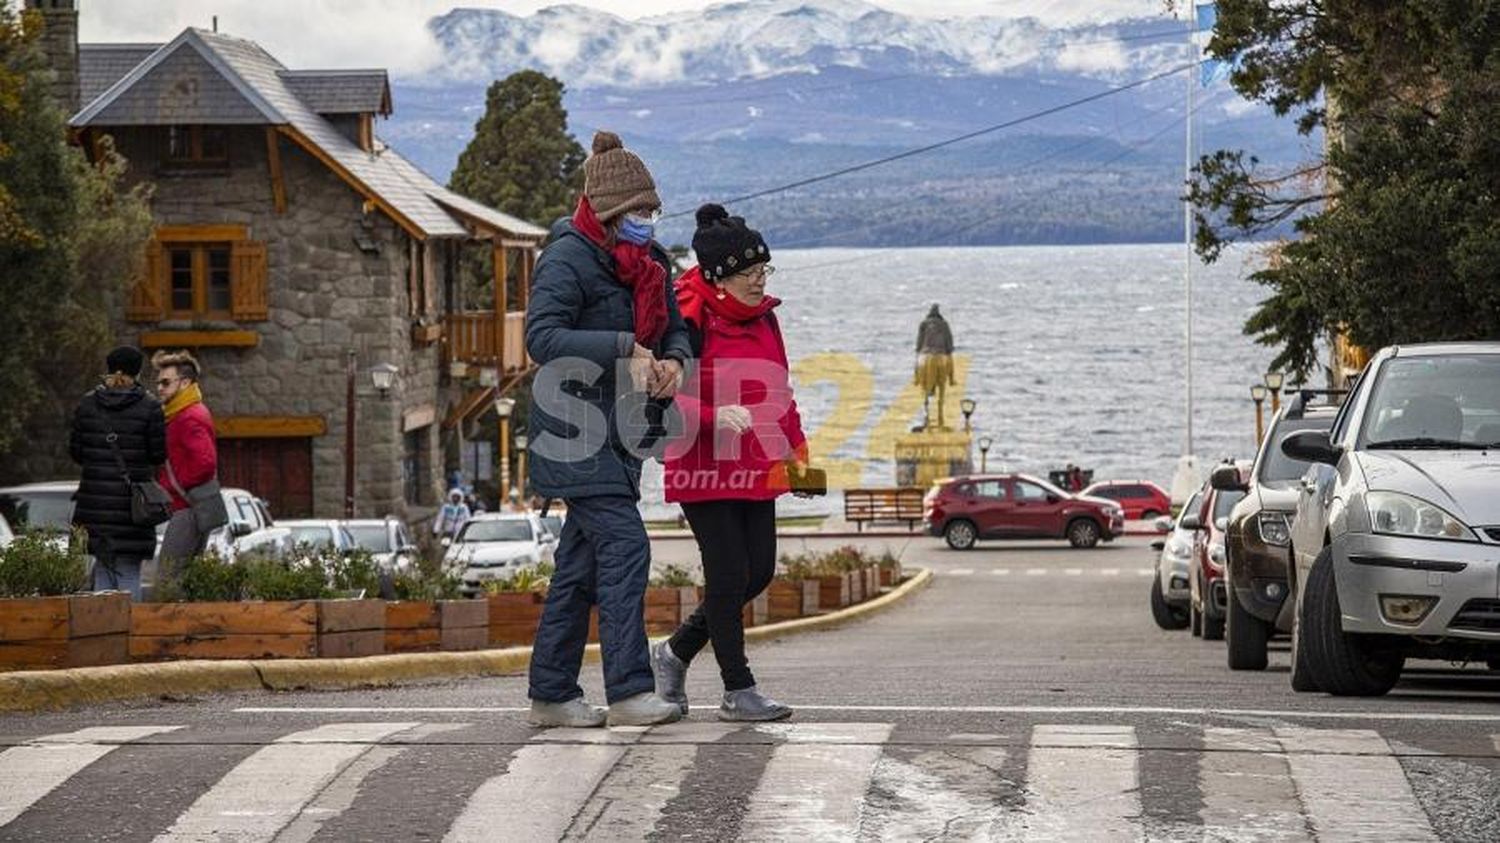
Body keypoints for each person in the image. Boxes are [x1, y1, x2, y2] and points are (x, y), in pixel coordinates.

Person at [523, 130, 692, 728]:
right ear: (610, 211)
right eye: (640, 212)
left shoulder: (649, 263)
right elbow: (540, 338)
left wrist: (673, 360)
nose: (649, 221)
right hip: (572, 433)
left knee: (581, 567)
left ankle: (551, 692)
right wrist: (626, 347)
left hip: (622, 435)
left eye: (653, 210)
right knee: (625, 547)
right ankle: (627, 690)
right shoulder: (566, 257)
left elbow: (672, 325)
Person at [651, 204, 807, 722]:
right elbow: (659, 394)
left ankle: (672, 654)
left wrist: (798, 454)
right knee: (726, 577)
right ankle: (738, 690)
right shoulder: (687, 314)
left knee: (757, 572)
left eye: (765, 270)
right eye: (750, 273)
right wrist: (715, 416)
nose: (761, 281)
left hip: (756, 465)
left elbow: (780, 387)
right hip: (702, 466)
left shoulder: (765, 316)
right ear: (719, 277)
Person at [69, 346, 167, 598]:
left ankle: (104, 631)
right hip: (131, 507)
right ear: (137, 371)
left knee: (103, 567)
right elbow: (158, 455)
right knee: (129, 570)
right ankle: (129, 629)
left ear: (109, 368)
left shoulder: (87, 403)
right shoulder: (150, 407)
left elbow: (76, 452)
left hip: (94, 503)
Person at [153, 350, 219, 580]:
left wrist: (175, 486)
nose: (159, 387)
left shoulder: (188, 416)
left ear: (185, 382)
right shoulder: (180, 413)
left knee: (167, 576)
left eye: (165, 382)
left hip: (187, 506)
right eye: (158, 382)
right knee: (184, 577)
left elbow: (206, 463)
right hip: (188, 504)